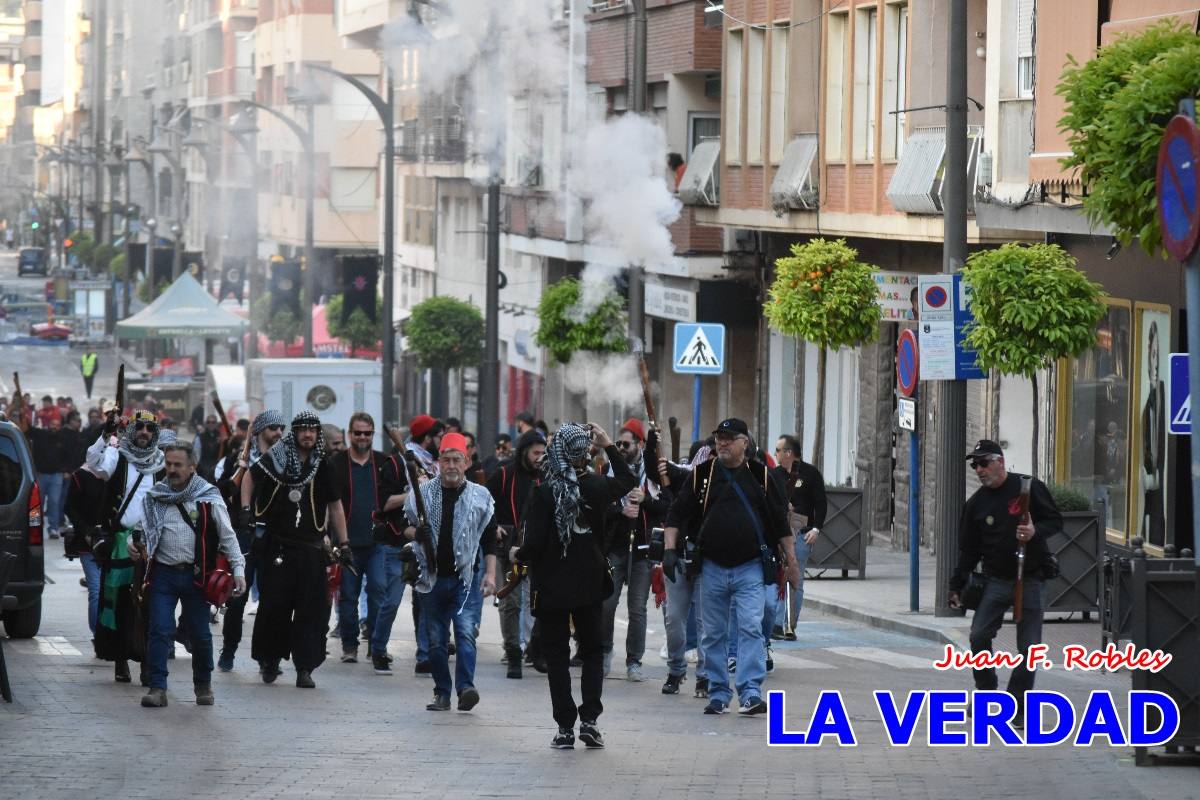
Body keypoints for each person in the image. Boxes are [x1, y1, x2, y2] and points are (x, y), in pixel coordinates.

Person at [662, 418, 800, 716]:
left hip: (750, 566)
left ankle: (750, 692)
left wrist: (792, 561)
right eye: (719, 438)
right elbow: (676, 513)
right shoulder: (701, 475)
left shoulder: (761, 476)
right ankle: (718, 692)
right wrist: (670, 550)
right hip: (711, 566)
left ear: (744, 443)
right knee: (712, 634)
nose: (721, 443)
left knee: (751, 627)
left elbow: (780, 523)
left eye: (728, 438)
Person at [511, 423, 635, 749]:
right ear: (584, 454)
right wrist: (608, 445)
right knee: (592, 652)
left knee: (557, 657)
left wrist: (516, 553)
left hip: (551, 587)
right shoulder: (596, 485)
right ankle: (590, 721)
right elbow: (628, 481)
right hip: (590, 584)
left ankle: (565, 727)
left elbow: (534, 545)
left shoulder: (544, 492)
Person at [949, 440, 1062, 722]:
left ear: (1000, 461)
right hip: (996, 580)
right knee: (978, 635)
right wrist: (955, 585)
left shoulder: (1028, 487)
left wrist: (1035, 531)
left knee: (1029, 648)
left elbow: (1055, 521)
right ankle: (986, 691)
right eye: (974, 465)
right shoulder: (976, 504)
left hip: (1032, 578)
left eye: (983, 463)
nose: (979, 470)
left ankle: (1018, 705)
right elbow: (968, 550)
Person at [241, 411, 352, 688]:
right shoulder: (277, 458)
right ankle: (270, 661)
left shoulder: (323, 465)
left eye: (312, 430)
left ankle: (305, 667)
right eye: (302, 430)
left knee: (311, 611)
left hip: (311, 549)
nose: (308, 435)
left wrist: (345, 543)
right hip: (278, 545)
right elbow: (249, 477)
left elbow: (336, 504)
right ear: (295, 433)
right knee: (274, 607)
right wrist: (246, 510)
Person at [130, 443, 246, 708]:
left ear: (192, 467)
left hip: (197, 577)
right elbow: (141, 531)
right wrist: (133, 546)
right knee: (159, 630)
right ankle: (158, 688)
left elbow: (228, 537)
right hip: (163, 576)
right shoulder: (155, 496)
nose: (171, 469)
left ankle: (203, 684)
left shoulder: (208, 496)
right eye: (168, 464)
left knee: (200, 635)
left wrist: (238, 570)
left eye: (177, 465)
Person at [401, 432, 498, 712]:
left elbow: (490, 539)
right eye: (446, 460)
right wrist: (415, 532)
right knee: (436, 642)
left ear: (467, 462)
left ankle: (466, 687)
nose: (452, 466)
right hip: (430, 580)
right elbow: (400, 527)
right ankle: (442, 692)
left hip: (465, 580)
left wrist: (490, 574)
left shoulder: (481, 497)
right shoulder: (422, 495)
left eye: (457, 460)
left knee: (466, 634)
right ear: (439, 463)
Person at [87, 410, 166, 683]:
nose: (144, 432)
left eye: (149, 428)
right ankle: (120, 658)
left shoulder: (162, 463)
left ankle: (146, 661)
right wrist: (105, 434)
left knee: (149, 604)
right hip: (121, 542)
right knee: (120, 602)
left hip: (153, 543)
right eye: (140, 427)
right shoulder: (117, 457)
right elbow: (95, 464)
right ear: (131, 431)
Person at [328, 412, 408, 671]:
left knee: (378, 592)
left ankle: (376, 645)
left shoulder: (384, 461)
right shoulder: (337, 463)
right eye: (358, 433)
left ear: (373, 435)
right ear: (349, 434)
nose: (363, 437)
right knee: (348, 596)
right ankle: (350, 646)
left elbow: (395, 497)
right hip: (347, 541)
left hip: (378, 542)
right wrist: (337, 540)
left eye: (367, 433)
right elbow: (330, 503)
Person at [601, 419, 670, 682]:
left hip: (642, 550)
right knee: (606, 605)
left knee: (637, 609)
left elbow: (667, 504)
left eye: (625, 444)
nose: (620, 448)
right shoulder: (609, 469)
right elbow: (598, 504)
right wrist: (620, 510)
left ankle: (634, 661)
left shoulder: (652, 473)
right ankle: (605, 650)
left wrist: (646, 501)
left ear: (639, 444)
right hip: (615, 547)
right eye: (617, 443)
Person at [216, 410, 285, 671]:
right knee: (237, 598)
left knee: (272, 600)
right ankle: (229, 649)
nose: (279, 433)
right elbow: (221, 492)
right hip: (245, 537)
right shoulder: (237, 461)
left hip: (274, 537)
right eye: (273, 428)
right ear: (260, 432)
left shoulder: (284, 461)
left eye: (281, 428)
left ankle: (267, 656)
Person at [486, 429, 546, 678]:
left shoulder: (548, 476)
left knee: (543, 603)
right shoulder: (503, 473)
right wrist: (495, 526)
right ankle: (513, 654)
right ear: (524, 451)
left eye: (544, 453)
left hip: (539, 548)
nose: (540, 457)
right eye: (536, 453)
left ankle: (536, 649)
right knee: (510, 603)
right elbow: (483, 503)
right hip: (508, 547)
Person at [771, 434, 826, 639]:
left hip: (802, 534)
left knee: (796, 579)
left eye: (778, 450)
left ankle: (789, 624)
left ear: (788, 453)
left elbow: (821, 504)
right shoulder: (774, 475)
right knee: (777, 577)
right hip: (778, 534)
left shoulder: (810, 474)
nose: (775, 453)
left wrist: (816, 529)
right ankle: (775, 623)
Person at [22, 411, 71, 538]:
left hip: (56, 476)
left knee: (54, 502)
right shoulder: (40, 434)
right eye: (53, 424)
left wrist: (66, 470)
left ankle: (53, 528)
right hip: (41, 475)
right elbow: (27, 429)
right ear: (49, 425)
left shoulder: (63, 438)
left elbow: (67, 456)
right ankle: (34, 526)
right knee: (37, 502)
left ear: (60, 426)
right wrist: (23, 414)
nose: (55, 427)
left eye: (57, 425)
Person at [1140, 321, 1166, 547]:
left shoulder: (1163, 395)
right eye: (1152, 353)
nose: (1154, 360)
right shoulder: (1147, 396)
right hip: (1148, 480)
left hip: (1162, 481)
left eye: (1158, 353)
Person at [194, 415, 224, 481]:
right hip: (203, 466)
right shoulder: (200, 436)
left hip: (216, 465)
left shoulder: (220, 435)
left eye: (213, 422)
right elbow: (196, 453)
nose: (211, 424)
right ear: (206, 423)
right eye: (208, 422)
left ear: (216, 423)